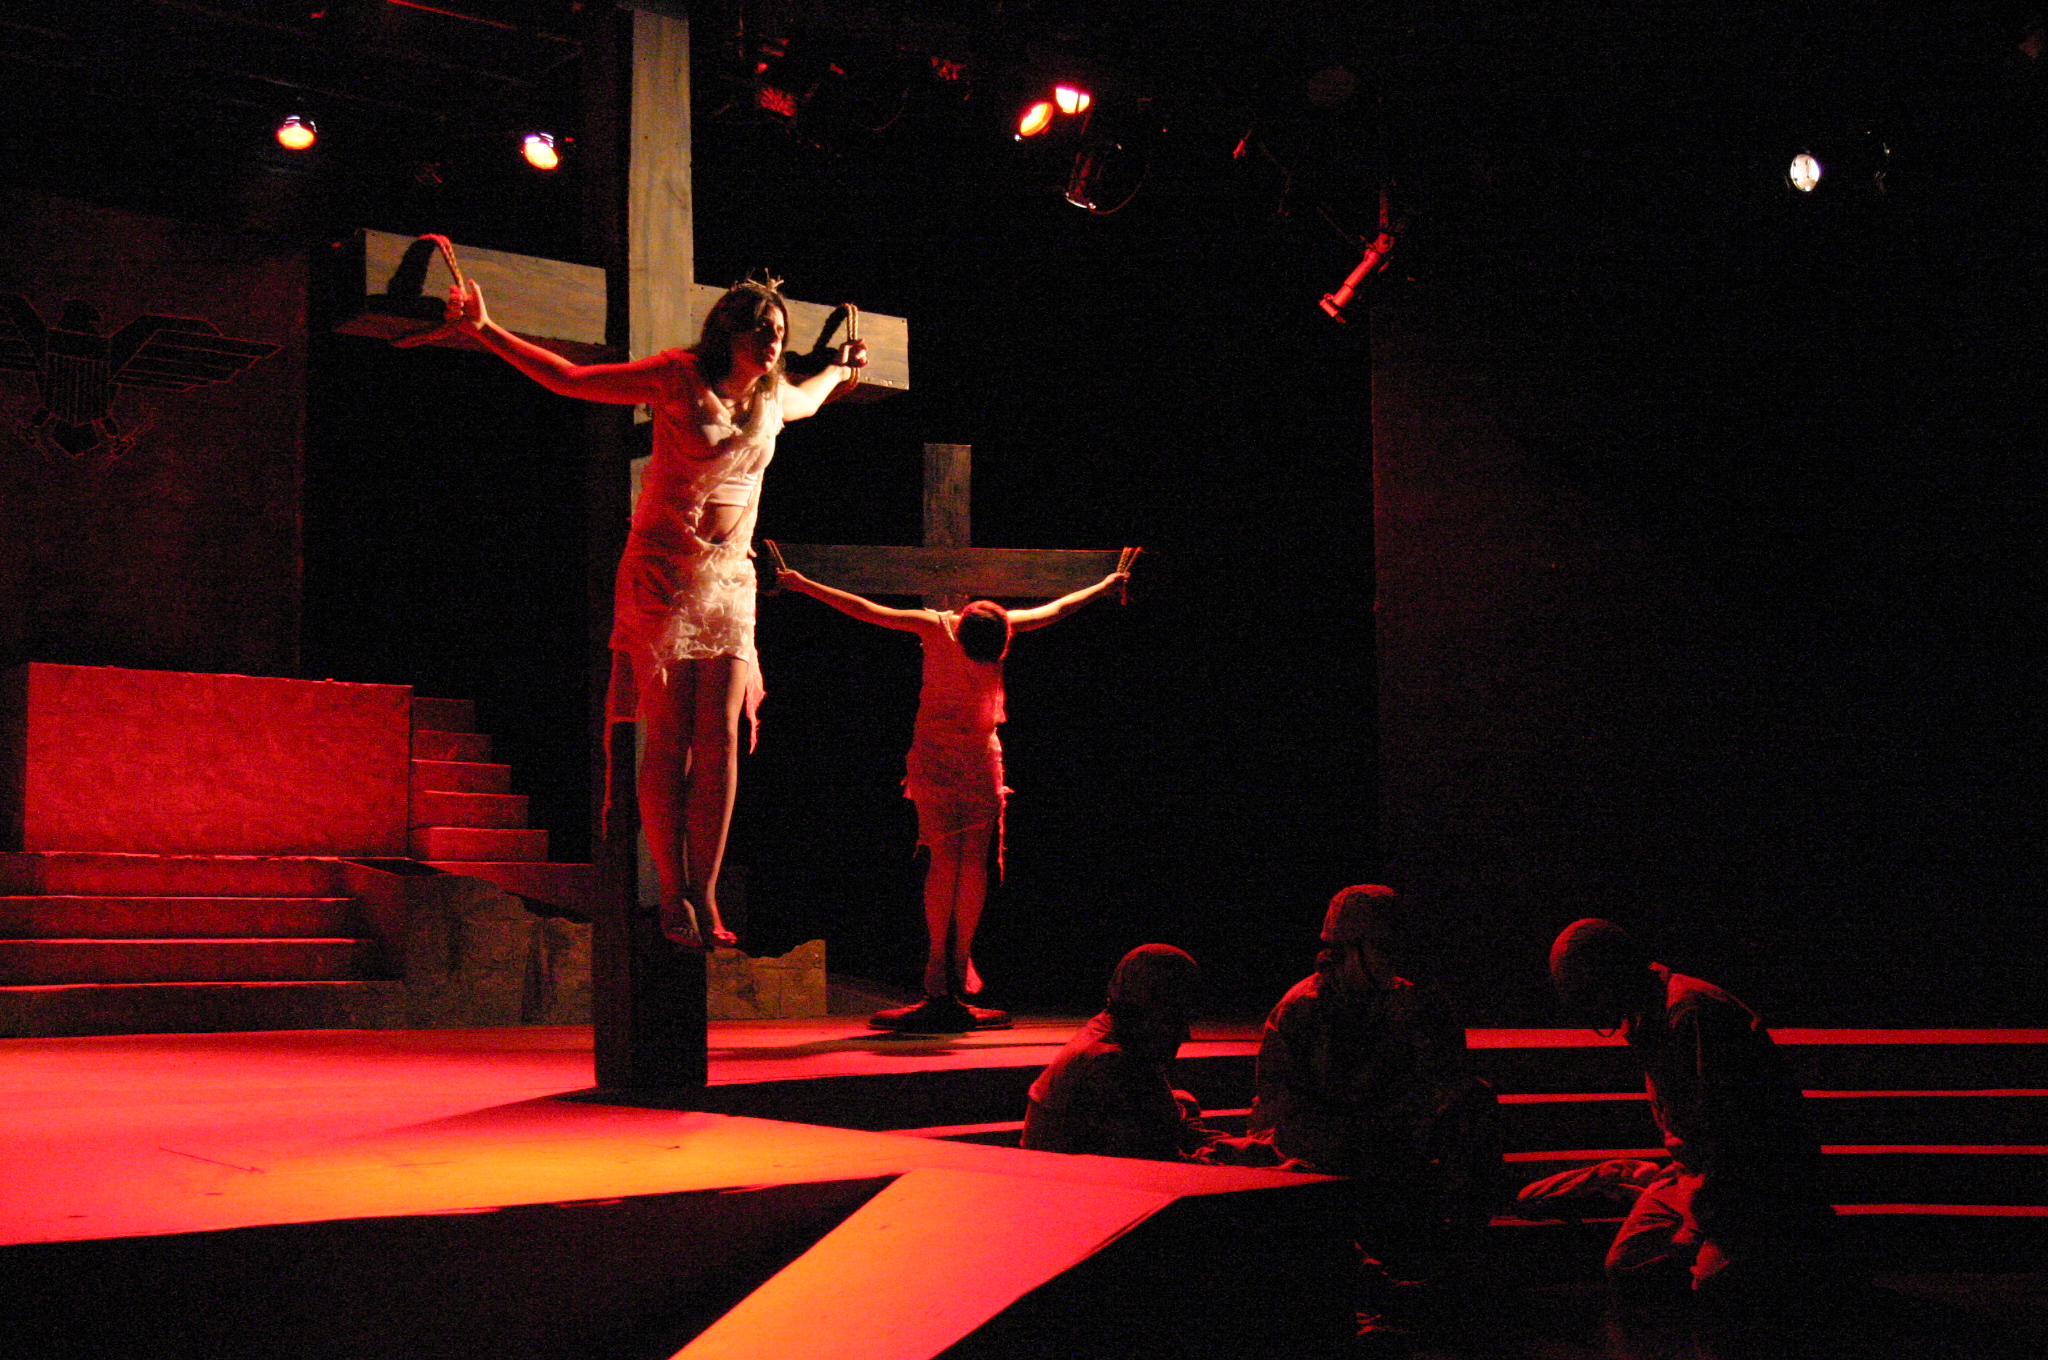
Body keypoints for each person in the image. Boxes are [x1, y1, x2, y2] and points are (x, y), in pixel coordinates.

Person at [444, 274, 865, 949]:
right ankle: (672, 888)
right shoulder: (677, 378)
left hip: (728, 580)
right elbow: (572, 378)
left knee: (719, 736)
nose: (773, 342)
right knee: (669, 736)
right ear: (730, 330)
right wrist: (486, 330)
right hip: (663, 576)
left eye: (780, 334)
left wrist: (840, 369)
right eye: (763, 330)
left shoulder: (770, 396)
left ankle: (707, 889)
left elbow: (811, 396)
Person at [774, 560, 1131, 1031]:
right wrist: (1104, 586)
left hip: (956, 760)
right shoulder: (995, 626)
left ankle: (946, 964)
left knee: (955, 863)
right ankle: (949, 963)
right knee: (963, 863)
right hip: (960, 759)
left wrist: (803, 584)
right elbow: (1058, 609)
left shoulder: (942, 626)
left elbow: (867, 610)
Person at [1546, 918, 1843, 1302]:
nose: (1590, 1008)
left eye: (1589, 994)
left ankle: (1792, 1247)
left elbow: (1732, 1135)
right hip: (1698, 1175)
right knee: (1629, 1265)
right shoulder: (1644, 1015)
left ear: (1610, 975)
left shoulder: (1691, 1013)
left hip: (1757, 1181)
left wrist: (1695, 1223)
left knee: (1718, 1287)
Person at [1021, 944, 1220, 1160]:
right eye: (1177, 1017)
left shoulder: (1112, 1033)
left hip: (1083, 1167)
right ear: (1155, 1007)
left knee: (1182, 1101)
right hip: (1079, 1177)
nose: (1185, 1034)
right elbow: (1162, 1163)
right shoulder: (1114, 1062)